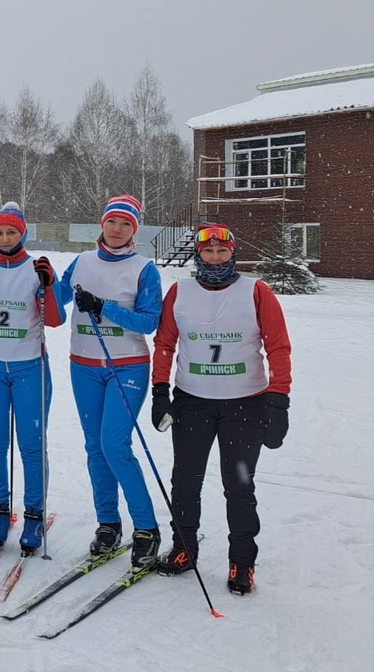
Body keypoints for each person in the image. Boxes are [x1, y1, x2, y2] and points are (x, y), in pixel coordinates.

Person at [151, 223, 292, 594]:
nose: (215, 257)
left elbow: (278, 347)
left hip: (245, 404)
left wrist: (279, 401)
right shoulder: (180, 291)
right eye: (208, 252)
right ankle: (184, 549)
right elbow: (165, 343)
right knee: (185, 482)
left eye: (222, 251)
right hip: (193, 401)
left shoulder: (256, 292)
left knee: (239, 485)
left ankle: (241, 562)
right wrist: (160, 391)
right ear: (198, 254)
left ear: (233, 253)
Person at [54, 194, 162, 567]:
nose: (117, 230)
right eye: (112, 222)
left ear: (135, 229)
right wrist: (42, 279)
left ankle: (147, 528)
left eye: (126, 224)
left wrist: (105, 308)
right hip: (83, 365)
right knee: (94, 448)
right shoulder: (82, 262)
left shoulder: (144, 268)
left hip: (127, 366)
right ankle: (108, 523)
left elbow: (149, 321)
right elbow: (54, 305)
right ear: (102, 224)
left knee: (114, 444)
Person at [0, 201, 65, 554]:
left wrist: (47, 286)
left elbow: (54, 320)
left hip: (29, 366)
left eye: (12, 232)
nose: (5, 238)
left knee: (32, 444)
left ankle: (34, 512)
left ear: (23, 233)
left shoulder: (36, 269)